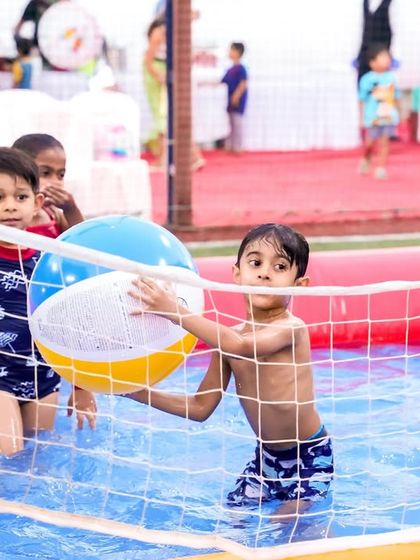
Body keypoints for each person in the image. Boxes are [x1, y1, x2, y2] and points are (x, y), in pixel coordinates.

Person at [127, 223, 334, 512]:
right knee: (234, 521)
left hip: (309, 456)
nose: (264, 272)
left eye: (280, 266)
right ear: (237, 273)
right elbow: (199, 408)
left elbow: (238, 344)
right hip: (265, 460)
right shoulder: (226, 340)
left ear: (299, 285)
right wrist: (136, 391)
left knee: (285, 528)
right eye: (255, 262)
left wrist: (174, 310)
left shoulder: (291, 329)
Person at [0, 147, 96, 457]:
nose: (10, 208)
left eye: (20, 197)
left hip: (41, 376)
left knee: (37, 463)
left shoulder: (50, 261)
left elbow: (73, 323)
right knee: (10, 455)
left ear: (38, 202)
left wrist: (82, 387)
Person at [143, 16, 205, 170]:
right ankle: (183, 157)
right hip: (159, 75)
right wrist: (160, 76)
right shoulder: (161, 32)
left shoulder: (175, 34)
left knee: (171, 117)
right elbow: (148, 61)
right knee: (163, 116)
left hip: (168, 74)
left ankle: (191, 156)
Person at [12, 134, 84, 238]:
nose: (56, 182)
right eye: (45, 173)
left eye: (61, 175)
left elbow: (82, 241)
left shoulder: (53, 214)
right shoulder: (9, 215)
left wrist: (71, 209)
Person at [358, 44, 401, 180]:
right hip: (372, 118)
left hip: (388, 117)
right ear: (372, 62)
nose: (386, 60)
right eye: (382, 57)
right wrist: (361, 118)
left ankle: (381, 168)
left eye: (387, 57)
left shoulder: (392, 78)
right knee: (370, 143)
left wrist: (399, 113)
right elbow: (362, 100)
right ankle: (367, 158)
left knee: (384, 142)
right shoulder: (366, 80)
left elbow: (396, 97)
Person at [221, 42, 248, 154]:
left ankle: (238, 147)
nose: (229, 52)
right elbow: (222, 82)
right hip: (229, 100)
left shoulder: (241, 69)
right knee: (231, 124)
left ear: (237, 52)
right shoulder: (230, 69)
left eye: (231, 50)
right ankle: (231, 146)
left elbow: (243, 84)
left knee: (237, 123)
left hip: (237, 101)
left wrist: (236, 96)